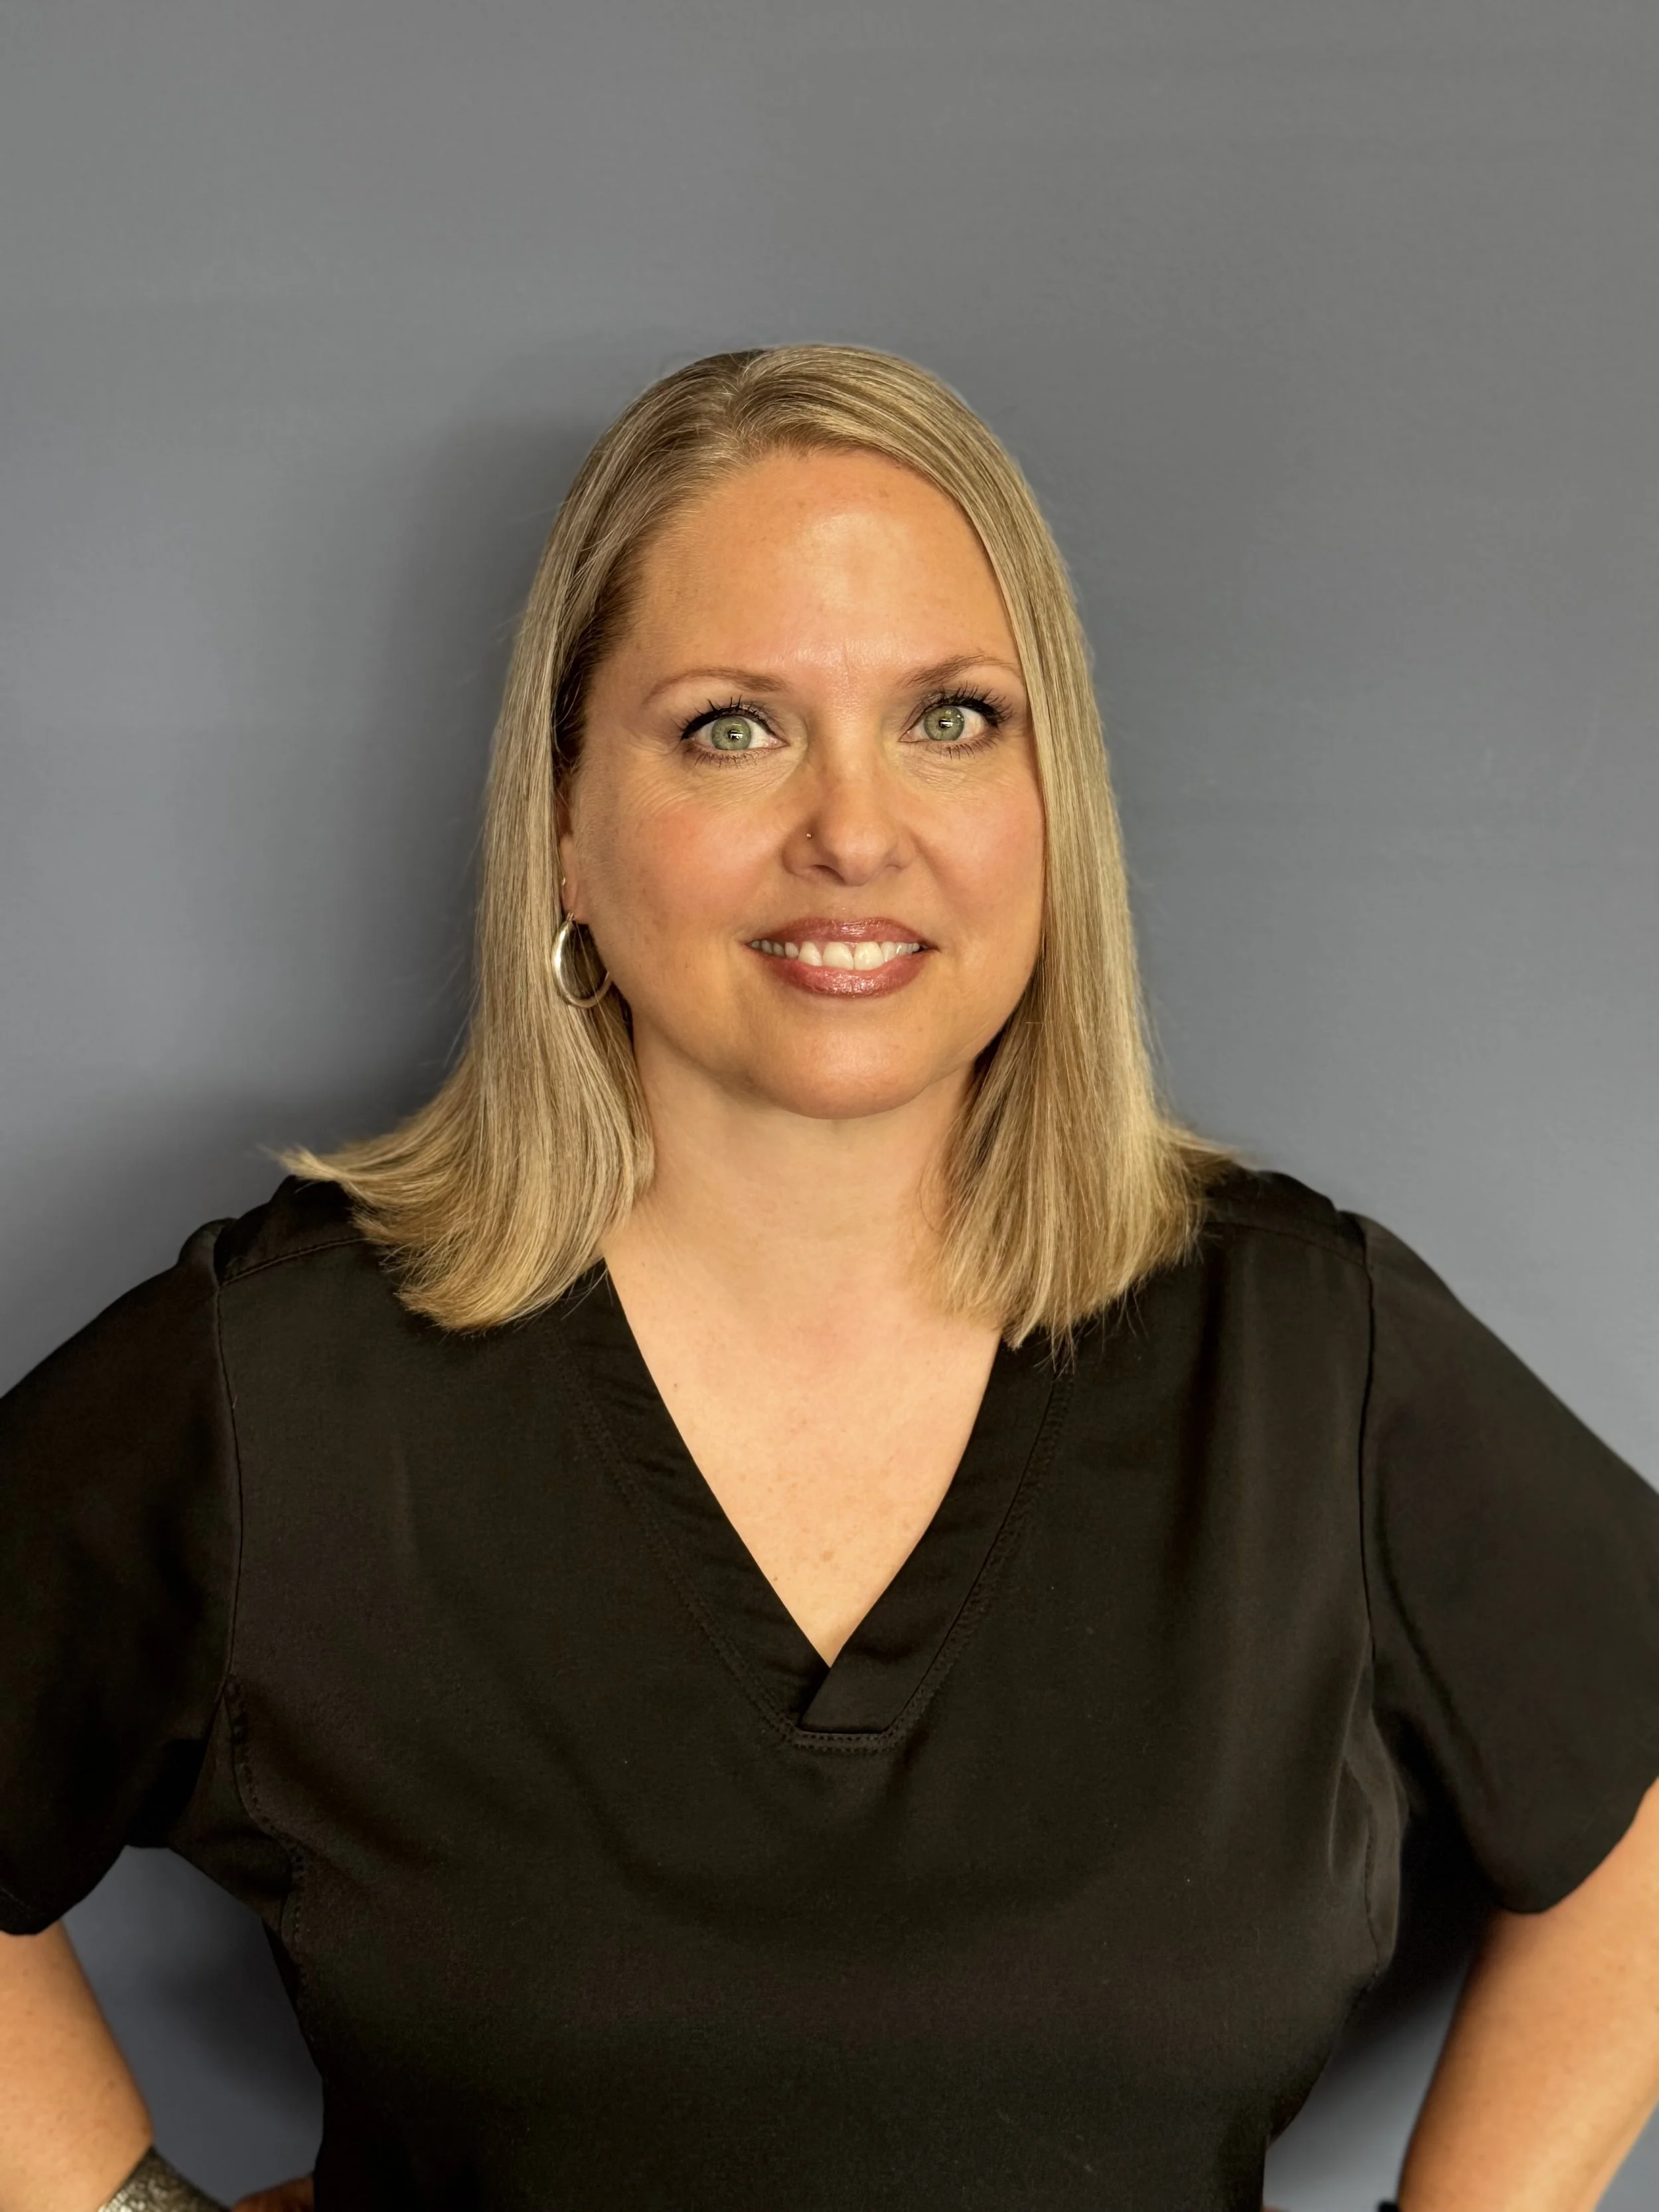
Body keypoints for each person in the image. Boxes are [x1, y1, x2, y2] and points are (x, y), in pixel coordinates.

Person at [2, 344, 1657, 2212]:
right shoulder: (288, 1381)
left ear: (1055, 801)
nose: (855, 832)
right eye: (732, 724)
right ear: (559, 814)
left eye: (950, 717)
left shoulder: (1293, 1359)